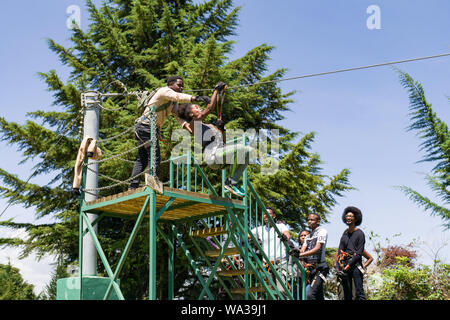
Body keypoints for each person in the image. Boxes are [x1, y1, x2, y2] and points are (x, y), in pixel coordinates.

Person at [128, 75, 210, 189]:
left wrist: (185, 125)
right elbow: (177, 96)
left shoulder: (172, 102)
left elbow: (177, 115)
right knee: (154, 155)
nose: (181, 88)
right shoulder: (164, 91)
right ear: (171, 84)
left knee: (142, 158)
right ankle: (152, 183)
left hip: (146, 127)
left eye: (182, 86)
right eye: (179, 85)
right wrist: (196, 98)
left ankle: (132, 186)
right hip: (146, 127)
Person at [176, 82, 254, 197]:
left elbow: (224, 142)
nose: (199, 108)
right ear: (191, 114)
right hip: (212, 156)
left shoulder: (210, 126)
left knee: (248, 151)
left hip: (221, 156)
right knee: (241, 149)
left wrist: (222, 130)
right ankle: (231, 182)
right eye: (196, 107)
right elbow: (210, 108)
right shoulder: (194, 125)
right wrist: (216, 91)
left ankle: (233, 181)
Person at [249, 207, 291, 295]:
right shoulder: (260, 229)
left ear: (274, 216)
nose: (266, 216)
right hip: (267, 263)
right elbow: (247, 234)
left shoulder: (280, 226)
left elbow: (287, 234)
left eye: (269, 214)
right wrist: (254, 240)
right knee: (271, 292)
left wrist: (285, 237)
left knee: (282, 290)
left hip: (280, 263)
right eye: (264, 214)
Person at [335, 206, 366, 300]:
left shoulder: (360, 234)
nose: (348, 218)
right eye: (347, 216)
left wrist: (348, 266)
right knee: (347, 293)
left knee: (359, 292)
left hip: (355, 265)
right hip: (345, 266)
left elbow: (359, 253)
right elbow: (340, 251)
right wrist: (338, 266)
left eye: (351, 216)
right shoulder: (344, 234)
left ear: (356, 218)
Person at [296, 213, 329, 300]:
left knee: (310, 295)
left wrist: (300, 254)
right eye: (308, 220)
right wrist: (295, 252)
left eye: (312, 220)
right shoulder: (308, 236)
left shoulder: (322, 231)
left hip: (321, 269)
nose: (309, 222)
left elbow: (317, 248)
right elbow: (302, 249)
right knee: (318, 296)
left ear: (318, 221)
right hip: (311, 270)